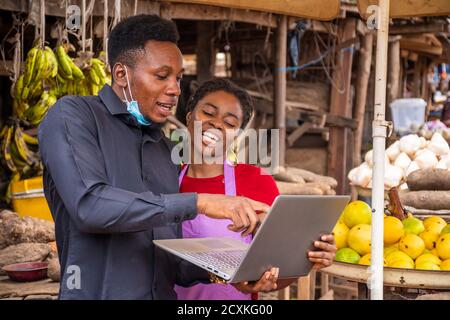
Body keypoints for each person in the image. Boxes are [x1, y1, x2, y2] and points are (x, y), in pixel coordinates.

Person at [38, 15, 272, 300]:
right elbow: (90, 206)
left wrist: (229, 272)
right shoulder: (74, 116)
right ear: (121, 74)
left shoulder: (162, 149)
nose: (174, 89)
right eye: (162, 76)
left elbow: (167, 262)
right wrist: (201, 201)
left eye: (178, 78)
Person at [175, 78, 337, 300]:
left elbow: (281, 266)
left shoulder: (256, 181)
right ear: (189, 115)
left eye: (230, 123)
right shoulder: (167, 179)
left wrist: (309, 257)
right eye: (208, 113)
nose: (217, 124)